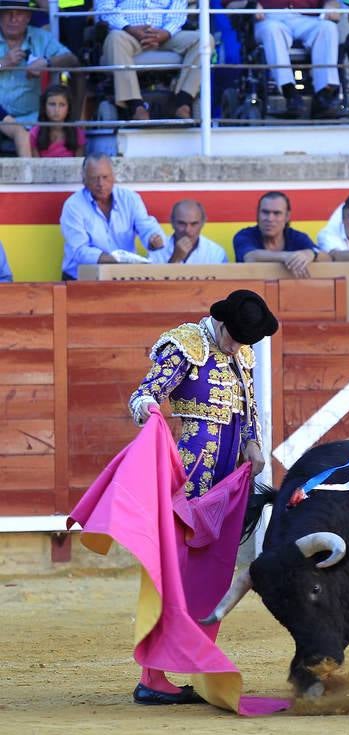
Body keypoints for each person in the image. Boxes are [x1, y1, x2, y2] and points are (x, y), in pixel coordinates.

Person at [127, 289, 278, 704]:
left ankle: (194, 655)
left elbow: (246, 412)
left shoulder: (241, 351)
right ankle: (152, 676)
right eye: (235, 338)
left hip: (224, 486)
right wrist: (148, 411)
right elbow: (144, 393)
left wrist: (253, 443)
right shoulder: (187, 345)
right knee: (172, 574)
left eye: (246, 341)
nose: (238, 347)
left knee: (212, 572)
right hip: (186, 484)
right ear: (223, 323)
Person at [223, 0, 342, 119]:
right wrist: (250, 4)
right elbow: (230, 5)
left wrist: (331, 5)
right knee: (272, 29)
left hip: (306, 18)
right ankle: (289, 91)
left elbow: (332, 2)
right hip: (268, 18)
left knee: (328, 27)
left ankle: (324, 95)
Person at [95, 0, 209, 121]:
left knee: (204, 39)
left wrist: (166, 32)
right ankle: (136, 106)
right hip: (127, 34)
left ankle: (183, 102)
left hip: (165, 35)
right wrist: (129, 28)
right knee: (115, 37)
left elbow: (178, 11)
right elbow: (105, 9)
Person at [60, 153, 166, 279]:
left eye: (105, 177)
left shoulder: (130, 199)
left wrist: (153, 239)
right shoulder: (73, 206)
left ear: (114, 176)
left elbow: (146, 226)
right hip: (81, 278)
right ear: (84, 180)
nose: (101, 183)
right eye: (94, 178)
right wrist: (112, 260)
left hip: (122, 277)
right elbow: (79, 250)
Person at [0, 0, 78, 123]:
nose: (13, 19)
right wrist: (2, 63)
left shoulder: (41, 37)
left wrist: (47, 63)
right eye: (7, 13)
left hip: (32, 121)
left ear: (28, 17)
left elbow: (72, 59)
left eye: (19, 13)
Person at [233, 191, 331, 278]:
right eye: (265, 212)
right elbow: (250, 257)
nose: (270, 219)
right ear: (257, 214)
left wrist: (312, 254)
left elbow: (328, 258)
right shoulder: (244, 235)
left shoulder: (296, 237)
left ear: (287, 216)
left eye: (277, 213)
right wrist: (289, 257)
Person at [149, 199, 228, 265]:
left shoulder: (215, 252)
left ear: (203, 223)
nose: (187, 230)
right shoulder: (157, 250)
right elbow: (154, 283)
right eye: (182, 223)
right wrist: (175, 259)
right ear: (172, 222)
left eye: (194, 224)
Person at [30, 83, 85, 157]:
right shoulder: (35, 133)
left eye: (62, 105)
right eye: (52, 104)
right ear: (44, 107)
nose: (56, 110)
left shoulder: (76, 133)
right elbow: (35, 165)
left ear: (68, 108)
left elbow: (79, 164)